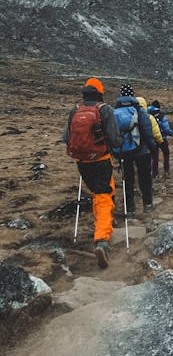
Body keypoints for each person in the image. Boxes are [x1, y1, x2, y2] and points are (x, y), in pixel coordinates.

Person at [64, 77, 122, 268]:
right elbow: (114, 139)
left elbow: (67, 137)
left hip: (82, 161)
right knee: (104, 196)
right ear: (100, 92)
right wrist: (119, 145)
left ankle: (101, 227)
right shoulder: (104, 109)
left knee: (97, 194)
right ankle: (102, 240)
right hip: (100, 160)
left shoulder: (75, 110)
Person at [114, 84, 156, 218]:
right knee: (145, 178)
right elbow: (147, 131)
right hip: (142, 150)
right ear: (132, 95)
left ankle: (130, 209)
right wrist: (152, 147)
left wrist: (115, 151)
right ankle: (147, 205)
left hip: (123, 151)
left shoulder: (114, 112)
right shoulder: (140, 110)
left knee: (128, 179)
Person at [148, 100, 173, 178]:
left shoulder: (147, 114)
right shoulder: (161, 115)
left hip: (152, 139)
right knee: (166, 154)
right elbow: (166, 128)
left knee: (154, 157)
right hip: (162, 138)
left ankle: (155, 174)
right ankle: (166, 171)